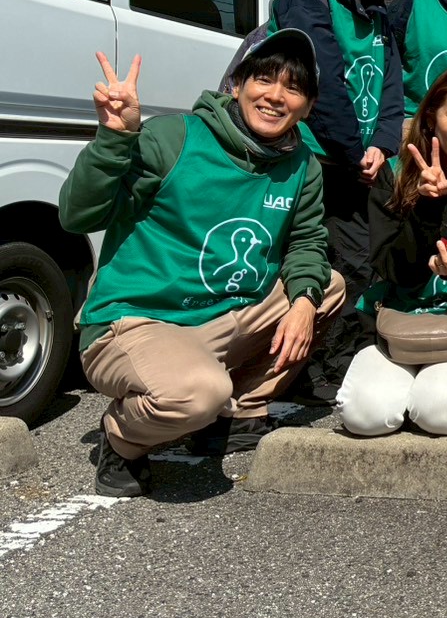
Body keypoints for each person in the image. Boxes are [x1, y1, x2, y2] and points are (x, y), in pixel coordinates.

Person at [60, 33, 345, 497]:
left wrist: (303, 302)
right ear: (236, 84)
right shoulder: (174, 137)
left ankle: (237, 412)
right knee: (197, 394)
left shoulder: (301, 166)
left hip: (222, 316)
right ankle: (123, 436)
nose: (275, 96)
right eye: (264, 79)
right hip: (137, 319)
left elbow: (307, 241)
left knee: (324, 287)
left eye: (293, 88)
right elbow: (78, 216)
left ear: (308, 107)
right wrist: (114, 139)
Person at [269, 0, 407, 396]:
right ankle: (318, 371)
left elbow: (391, 84)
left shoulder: (375, 10)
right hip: (315, 157)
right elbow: (321, 81)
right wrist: (354, 155)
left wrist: (384, 144)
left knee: (364, 263)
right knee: (330, 263)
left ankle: (338, 364)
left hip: (363, 160)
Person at [337, 65, 447, 437]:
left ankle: (434, 387)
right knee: (365, 415)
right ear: (432, 117)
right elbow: (392, 269)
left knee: (440, 413)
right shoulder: (394, 174)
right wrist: (428, 206)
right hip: (398, 321)